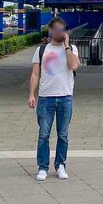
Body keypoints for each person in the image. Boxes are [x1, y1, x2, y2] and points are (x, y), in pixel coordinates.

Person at [27, 16, 80, 181]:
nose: (59, 32)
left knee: (63, 135)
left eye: (62, 29)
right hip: (46, 97)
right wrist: (31, 94)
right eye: (56, 29)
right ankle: (43, 167)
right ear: (50, 30)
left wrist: (67, 47)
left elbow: (74, 66)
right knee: (44, 134)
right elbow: (35, 74)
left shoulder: (72, 49)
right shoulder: (41, 50)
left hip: (65, 97)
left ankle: (61, 165)